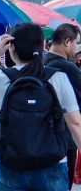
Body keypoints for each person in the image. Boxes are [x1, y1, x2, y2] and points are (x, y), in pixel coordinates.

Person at [0, 24, 81, 190]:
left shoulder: (2, 77)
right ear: (42, 47)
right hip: (51, 164)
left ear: (11, 48)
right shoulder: (58, 77)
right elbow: (76, 123)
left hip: (11, 164)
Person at [46, 22, 81, 184]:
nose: (77, 48)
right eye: (77, 43)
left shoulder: (39, 61)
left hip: (40, 135)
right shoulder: (66, 67)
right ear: (67, 42)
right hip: (65, 136)